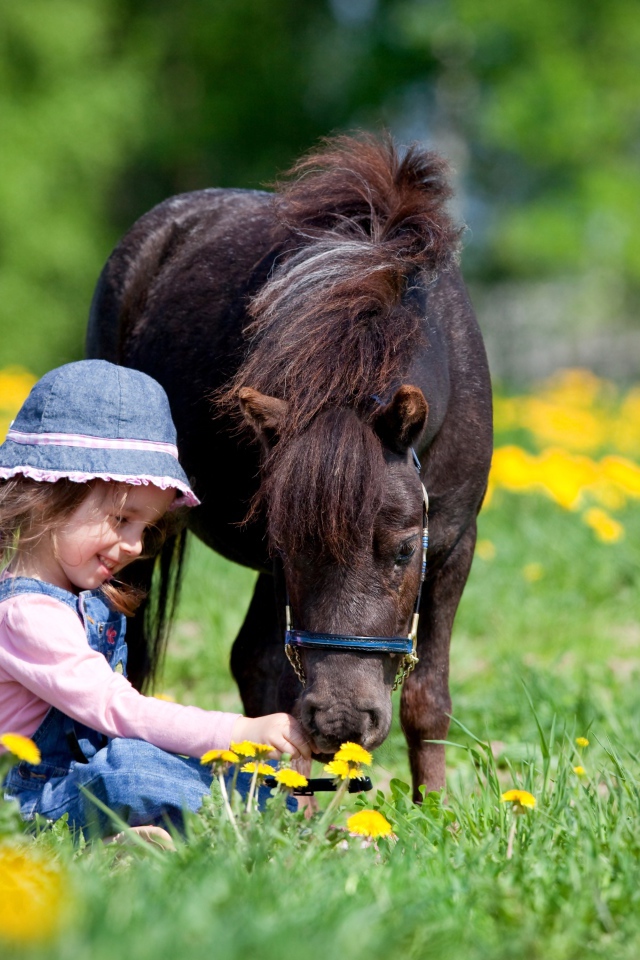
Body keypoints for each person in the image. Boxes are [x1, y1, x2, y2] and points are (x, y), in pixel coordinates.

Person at [0, 360, 310, 836]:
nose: (137, 546)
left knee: (140, 762)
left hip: (75, 782)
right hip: (28, 801)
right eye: (122, 519)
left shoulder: (86, 598)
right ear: (49, 493)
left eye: (147, 527)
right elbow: (116, 709)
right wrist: (241, 732)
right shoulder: (25, 615)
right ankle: (277, 819)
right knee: (128, 771)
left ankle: (274, 810)